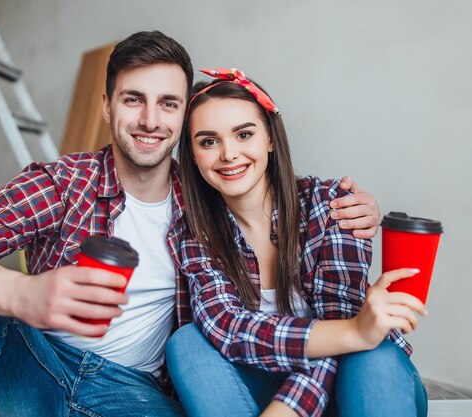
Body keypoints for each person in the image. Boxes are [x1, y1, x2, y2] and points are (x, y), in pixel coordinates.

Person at [0, 33, 380, 417]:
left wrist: (351, 204)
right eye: (132, 100)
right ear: (106, 106)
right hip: (35, 368)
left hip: (135, 393)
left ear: (185, 114)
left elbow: (274, 187)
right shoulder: (65, 184)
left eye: (168, 103)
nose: (150, 120)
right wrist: (21, 295)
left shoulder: (211, 194)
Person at [165, 68, 428, 417]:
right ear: (193, 155)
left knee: (371, 352)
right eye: (208, 141)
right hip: (266, 385)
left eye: (244, 134)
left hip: (359, 381)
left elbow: (349, 332)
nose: (228, 154)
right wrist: (352, 331)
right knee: (187, 343)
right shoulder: (193, 233)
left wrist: (288, 410)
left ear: (270, 139)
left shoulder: (331, 203)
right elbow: (228, 328)